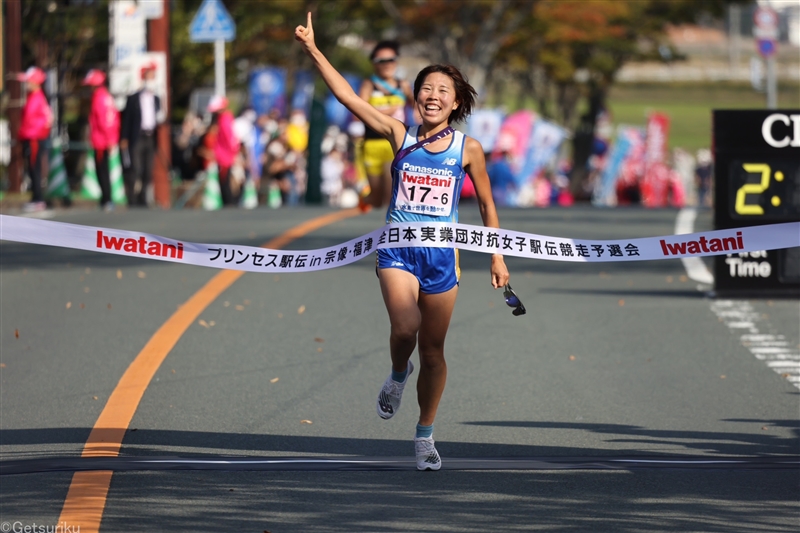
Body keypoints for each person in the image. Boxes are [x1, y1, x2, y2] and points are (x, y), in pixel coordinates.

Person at [296, 13, 510, 471]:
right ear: (416, 95)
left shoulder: (467, 149)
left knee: (433, 351)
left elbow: (487, 208)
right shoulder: (400, 134)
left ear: (455, 104)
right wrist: (314, 50)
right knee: (404, 329)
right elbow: (349, 97)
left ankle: (425, 435)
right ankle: (397, 374)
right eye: (426, 89)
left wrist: (497, 256)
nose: (432, 97)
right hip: (396, 250)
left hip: (442, 258)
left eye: (442, 92)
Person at [357, 40, 413, 211]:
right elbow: (359, 109)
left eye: (391, 60)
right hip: (372, 143)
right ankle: (366, 198)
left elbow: (416, 105)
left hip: (395, 143)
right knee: (376, 199)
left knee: (392, 194)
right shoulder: (369, 84)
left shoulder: (402, 85)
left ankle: (393, 235)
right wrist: (385, 112)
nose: (387, 64)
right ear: (374, 64)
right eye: (382, 61)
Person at [120, 62, 161, 207]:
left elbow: (159, 118)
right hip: (137, 136)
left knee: (148, 169)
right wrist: (124, 137)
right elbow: (127, 119)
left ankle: (143, 197)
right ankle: (131, 197)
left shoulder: (156, 99)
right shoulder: (134, 98)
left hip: (150, 136)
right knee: (135, 167)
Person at [82, 69, 120, 211]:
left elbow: (104, 121)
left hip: (101, 141)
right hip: (104, 139)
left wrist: (109, 139)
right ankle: (106, 199)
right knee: (103, 169)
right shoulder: (106, 96)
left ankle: (107, 199)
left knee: (102, 170)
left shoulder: (99, 98)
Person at [16, 67, 52, 212]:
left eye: (28, 81)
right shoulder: (34, 96)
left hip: (34, 138)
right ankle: (36, 198)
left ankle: (38, 199)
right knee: (32, 168)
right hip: (31, 137)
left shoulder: (37, 98)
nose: (26, 84)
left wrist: (28, 133)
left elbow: (41, 121)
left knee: (34, 168)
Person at [207, 95, 240, 206]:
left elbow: (230, 138)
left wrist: (234, 153)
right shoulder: (223, 119)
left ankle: (229, 202)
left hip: (225, 156)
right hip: (222, 155)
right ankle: (228, 202)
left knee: (225, 181)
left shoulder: (224, 119)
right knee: (224, 180)